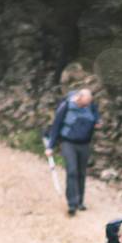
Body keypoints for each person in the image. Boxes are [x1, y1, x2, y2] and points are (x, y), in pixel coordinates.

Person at [43, 86, 100, 216]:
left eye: (88, 103)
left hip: (84, 144)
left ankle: (80, 202)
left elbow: (95, 114)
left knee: (81, 172)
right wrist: (50, 146)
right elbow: (56, 125)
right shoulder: (66, 106)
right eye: (84, 103)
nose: (86, 106)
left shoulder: (90, 106)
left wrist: (97, 121)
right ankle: (72, 204)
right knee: (72, 171)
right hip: (68, 142)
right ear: (79, 98)